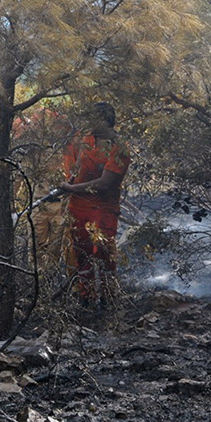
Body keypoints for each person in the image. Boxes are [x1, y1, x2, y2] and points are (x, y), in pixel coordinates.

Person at [59, 102, 130, 306]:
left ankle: (108, 300)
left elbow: (106, 183)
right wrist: (68, 183)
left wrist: (72, 189)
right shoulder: (82, 140)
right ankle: (86, 300)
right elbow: (70, 167)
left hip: (103, 209)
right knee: (82, 255)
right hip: (77, 208)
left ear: (104, 120)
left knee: (104, 253)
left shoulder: (119, 148)